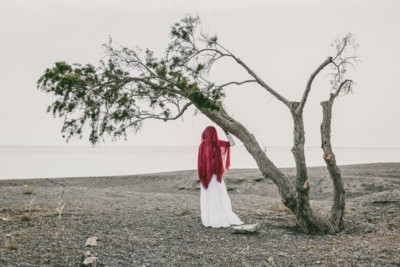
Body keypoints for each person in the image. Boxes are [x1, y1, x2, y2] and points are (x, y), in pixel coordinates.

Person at [197, 125, 243, 228]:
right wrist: (226, 133)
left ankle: (210, 219)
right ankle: (219, 216)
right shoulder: (216, 144)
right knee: (218, 196)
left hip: (208, 177)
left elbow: (201, 163)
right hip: (215, 176)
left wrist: (204, 175)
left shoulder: (203, 145)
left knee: (210, 197)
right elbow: (232, 143)